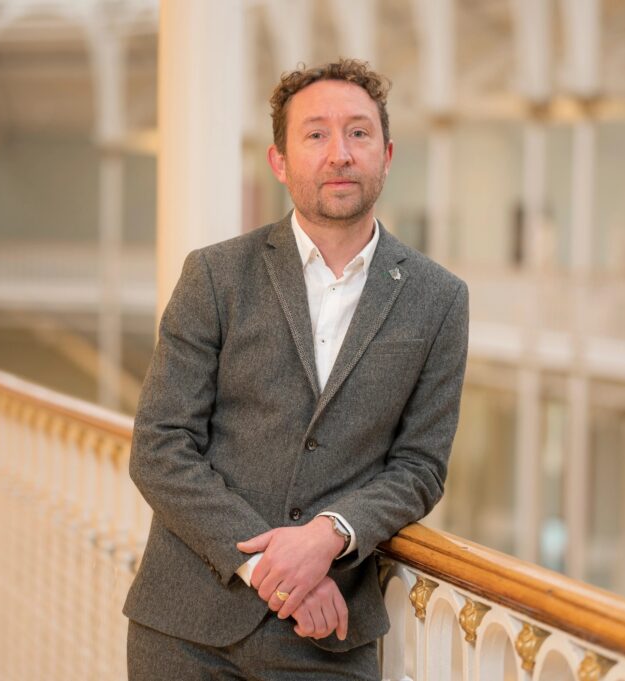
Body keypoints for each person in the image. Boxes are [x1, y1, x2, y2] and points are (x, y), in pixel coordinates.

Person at [123, 58, 469, 680]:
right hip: (187, 626)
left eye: (358, 133)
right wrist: (272, 569)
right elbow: (160, 445)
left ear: (387, 155)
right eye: (315, 134)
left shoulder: (439, 299)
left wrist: (330, 533)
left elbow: (420, 466)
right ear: (279, 161)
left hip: (327, 641)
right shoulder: (215, 275)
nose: (340, 153)